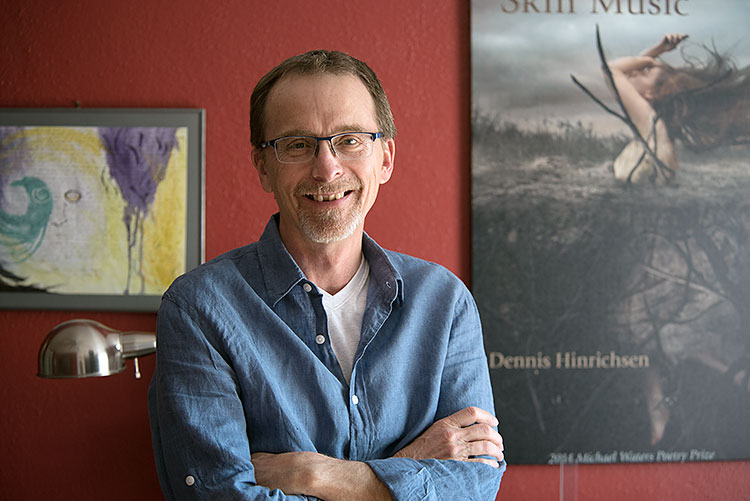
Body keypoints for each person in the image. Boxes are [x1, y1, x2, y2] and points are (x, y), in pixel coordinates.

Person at [148, 49, 505, 500]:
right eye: (297, 144)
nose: (327, 167)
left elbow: (475, 487)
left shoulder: (444, 301)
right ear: (262, 167)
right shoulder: (199, 309)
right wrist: (411, 468)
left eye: (350, 140)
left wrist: (312, 476)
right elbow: (217, 496)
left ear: (386, 159)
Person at [606, 33, 750, 183]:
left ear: (651, 93)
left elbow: (611, 69)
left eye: (644, 72)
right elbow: (627, 74)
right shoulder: (658, 121)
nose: (634, 72)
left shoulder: (648, 118)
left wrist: (651, 58)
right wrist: (657, 52)